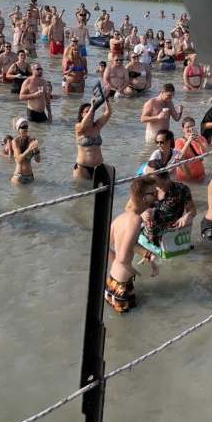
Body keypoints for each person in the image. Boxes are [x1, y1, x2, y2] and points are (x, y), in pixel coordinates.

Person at [105, 176, 160, 314]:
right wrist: (133, 270)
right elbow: (123, 258)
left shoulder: (121, 218)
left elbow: (105, 246)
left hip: (112, 281)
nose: (156, 196)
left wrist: (148, 255)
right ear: (144, 198)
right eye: (153, 193)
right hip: (123, 286)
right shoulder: (135, 220)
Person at [141, 162, 196, 244]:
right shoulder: (147, 189)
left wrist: (187, 216)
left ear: (164, 177)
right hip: (145, 238)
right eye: (146, 176)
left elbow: (192, 210)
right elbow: (131, 209)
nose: (146, 179)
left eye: (150, 176)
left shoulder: (181, 189)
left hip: (169, 240)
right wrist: (142, 213)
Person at [73, 99, 113, 182]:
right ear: (81, 114)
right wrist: (92, 108)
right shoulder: (78, 127)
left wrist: (106, 99)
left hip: (99, 168)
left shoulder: (97, 126)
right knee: (82, 190)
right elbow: (83, 125)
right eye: (87, 111)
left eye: (92, 111)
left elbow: (108, 113)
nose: (90, 113)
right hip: (83, 169)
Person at [174, 117, 208, 182]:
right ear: (183, 129)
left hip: (200, 175)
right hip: (184, 178)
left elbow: (205, 155)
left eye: (192, 126)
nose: (190, 129)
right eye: (187, 127)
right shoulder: (178, 141)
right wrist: (188, 141)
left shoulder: (201, 139)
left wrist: (199, 141)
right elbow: (179, 157)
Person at [9, 118, 40, 184]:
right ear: (18, 129)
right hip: (19, 177)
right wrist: (29, 149)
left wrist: (36, 149)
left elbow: (38, 160)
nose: (25, 129)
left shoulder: (31, 140)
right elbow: (19, 159)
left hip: (30, 177)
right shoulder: (15, 141)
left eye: (26, 126)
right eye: (23, 127)